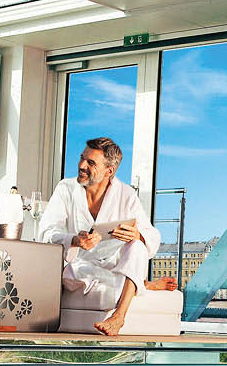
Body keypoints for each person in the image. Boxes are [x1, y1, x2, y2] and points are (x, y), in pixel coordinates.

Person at [37, 137, 176, 336]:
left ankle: (118, 316)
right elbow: (46, 232)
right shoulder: (65, 188)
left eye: (91, 163)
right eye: (82, 158)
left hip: (114, 263)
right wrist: (74, 240)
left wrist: (138, 234)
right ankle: (143, 285)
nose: (81, 165)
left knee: (137, 245)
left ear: (109, 171)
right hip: (80, 266)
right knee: (73, 273)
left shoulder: (126, 194)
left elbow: (153, 238)